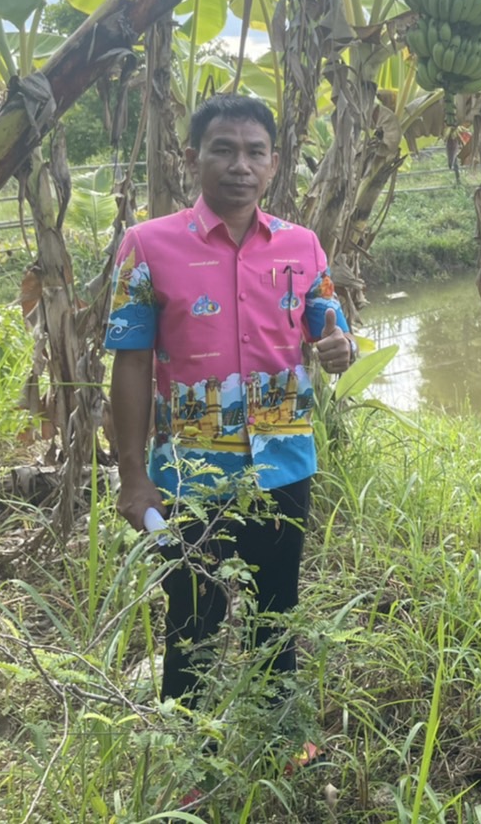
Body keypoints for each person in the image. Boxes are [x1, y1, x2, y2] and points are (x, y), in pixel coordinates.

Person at [107, 93, 357, 749]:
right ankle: (188, 757)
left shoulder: (302, 245)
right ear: (193, 157)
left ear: (273, 163)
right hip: (190, 475)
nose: (239, 165)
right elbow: (131, 364)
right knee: (193, 616)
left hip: (284, 465)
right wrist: (133, 476)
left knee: (278, 611)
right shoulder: (147, 245)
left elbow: (331, 329)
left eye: (254, 152)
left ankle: (280, 744)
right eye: (223, 149)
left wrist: (340, 348)